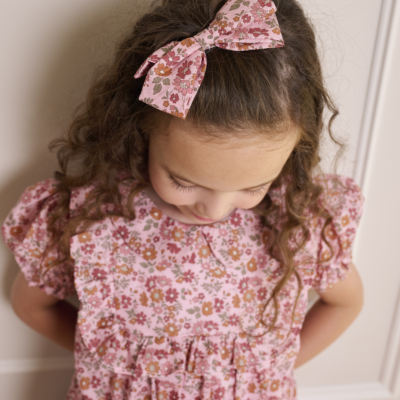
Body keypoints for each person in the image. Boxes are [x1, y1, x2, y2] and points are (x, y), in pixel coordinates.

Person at [2, 0, 365, 399]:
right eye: (183, 180)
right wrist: (112, 363)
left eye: (252, 187)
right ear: (139, 129)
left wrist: (266, 367)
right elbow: (32, 305)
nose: (214, 209)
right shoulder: (90, 216)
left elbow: (344, 303)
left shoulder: (297, 220)